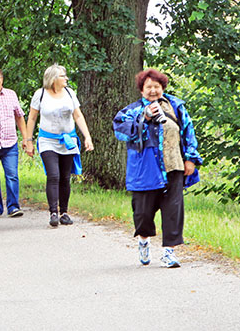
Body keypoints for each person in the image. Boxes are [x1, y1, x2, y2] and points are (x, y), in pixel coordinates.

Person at [113, 68, 201, 268]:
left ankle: (169, 252)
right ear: (141, 90)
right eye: (148, 87)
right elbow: (121, 132)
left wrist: (190, 159)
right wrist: (143, 118)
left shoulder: (176, 106)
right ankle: (143, 241)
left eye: (157, 87)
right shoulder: (131, 111)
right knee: (143, 212)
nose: (153, 91)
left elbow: (188, 132)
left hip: (174, 166)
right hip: (145, 169)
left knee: (173, 209)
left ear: (163, 88)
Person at [25, 64, 94, 227]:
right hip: (47, 140)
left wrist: (87, 137)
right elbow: (32, 118)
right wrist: (28, 141)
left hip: (68, 140)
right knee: (53, 175)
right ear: (53, 78)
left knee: (65, 177)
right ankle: (53, 212)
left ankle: (64, 212)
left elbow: (78, 115)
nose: (66, 79)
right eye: (63, 76)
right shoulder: (40, 94)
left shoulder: (70, 93)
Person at [0, 67, 31, 218]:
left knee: (12, 175)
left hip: (9, 143)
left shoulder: (11, 94)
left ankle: (13, 206)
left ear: (2, 79)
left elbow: (19, 116)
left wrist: (25, 138)